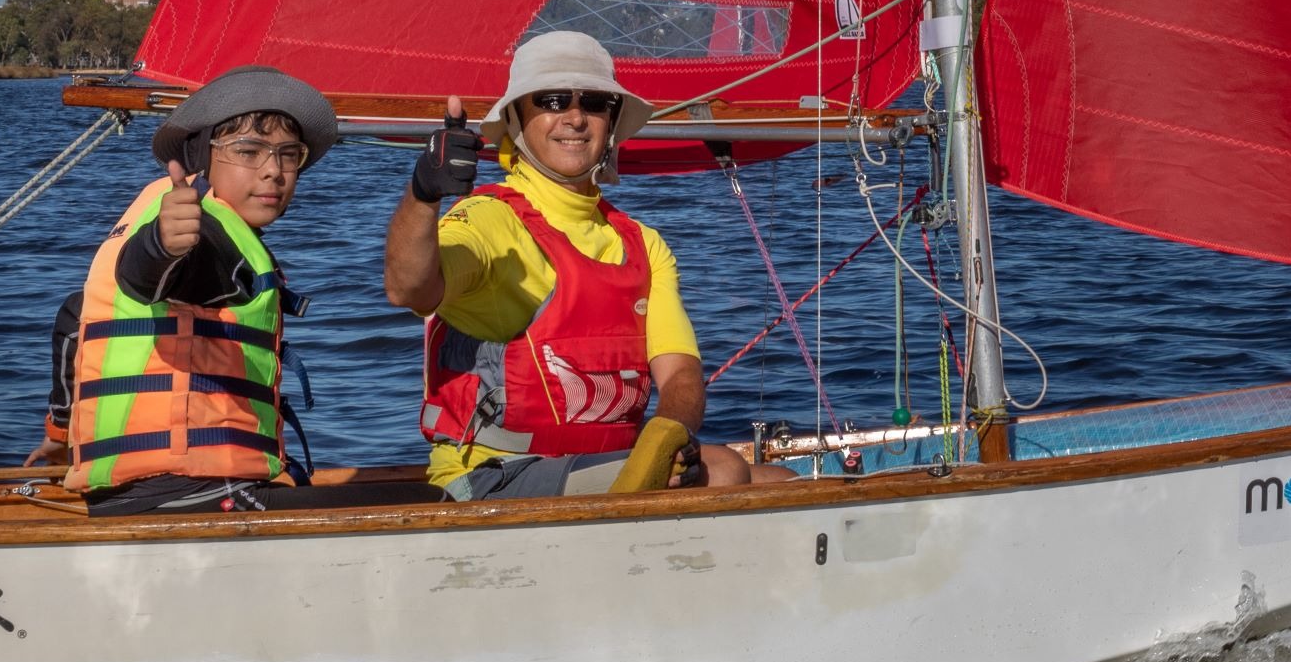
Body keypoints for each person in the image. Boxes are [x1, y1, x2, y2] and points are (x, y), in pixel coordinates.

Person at [384, 31, 790, 499]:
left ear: (611, 121)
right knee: (724, 470)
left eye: (594, 102)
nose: (575, 118)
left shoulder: (643, 244)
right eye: (553, 101)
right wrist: (424, 194)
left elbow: (680, 374)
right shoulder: (488, 219)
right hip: (492, 478)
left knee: (782, 483)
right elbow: (409, 289)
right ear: (516, 119)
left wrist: (666, 439)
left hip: (602, 469)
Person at [66, 65, 441, 514]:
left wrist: (57, 435)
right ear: (201, 158)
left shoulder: (147, 217)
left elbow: (73, 316)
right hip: (194, 493)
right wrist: (162, 245)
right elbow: (146, 276)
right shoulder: (204, 233)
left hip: (133, 498)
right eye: (249, 151)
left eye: (288, 154)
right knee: (441, 503)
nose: (273, 172)